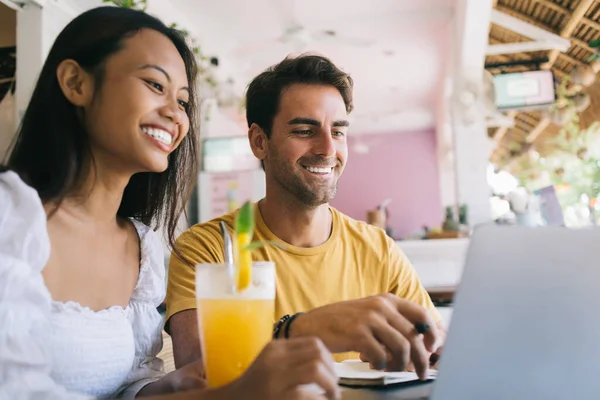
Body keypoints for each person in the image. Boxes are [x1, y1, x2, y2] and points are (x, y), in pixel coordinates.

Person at [0, 7, 340, 400]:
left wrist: (167, 387)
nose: (175, 114)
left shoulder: (141, 246)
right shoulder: (11, 216)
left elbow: (126, 385)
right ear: (76, 82)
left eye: (183, 101)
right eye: (155, 85)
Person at [166, 54, 444, 379]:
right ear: (259, 141)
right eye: (304, 130)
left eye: (338, 132)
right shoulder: (208, 248)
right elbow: (197, 373)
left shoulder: (378, 249)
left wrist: (435, 350)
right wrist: (305, 329)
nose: (328, 148)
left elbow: (432, 348)